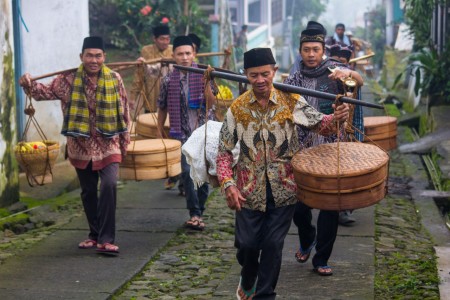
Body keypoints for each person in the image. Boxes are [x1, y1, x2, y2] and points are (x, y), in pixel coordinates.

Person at [216, 47, 349, 299]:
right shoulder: (238, 108)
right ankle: (248, 275)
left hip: (284, 188)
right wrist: (228, 184)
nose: (260, 80)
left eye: (265, 74)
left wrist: (339, 116)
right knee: (247, 246)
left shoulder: (291, 101)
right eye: (254, 75)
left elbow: (323, 125)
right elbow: (223, 151)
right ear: (245, 75)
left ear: (274, 71)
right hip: (247, 191)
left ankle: (265, 295)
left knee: (273, 245)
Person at [19, 36, 130, 254]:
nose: (94, 60)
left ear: (104, 57)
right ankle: (94, 234)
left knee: (108, 185)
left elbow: (124, 109)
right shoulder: (67, 80)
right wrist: (28, 83)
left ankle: (106, 239)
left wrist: (125, 142)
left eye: (98, 56)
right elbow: (43, 92)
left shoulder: (115, 79)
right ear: (82, 57)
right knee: (88, 191)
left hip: (109, 144)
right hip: (80, 145)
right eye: (89, 55)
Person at [284, 20, 364, 276]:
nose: (310, 54)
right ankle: (307, 237)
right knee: (299, 205)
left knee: (330, 205)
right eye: (306, 49)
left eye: (315, 50)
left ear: (322, 50)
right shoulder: (293, 77)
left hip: (331, 148)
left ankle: (321, 258)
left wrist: (348, 74)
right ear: (300, 51)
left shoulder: (335, 71)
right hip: (301, 148)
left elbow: (359, 80)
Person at [156, 35, 216, 231]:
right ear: (173, 55)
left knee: (204, 175)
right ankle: (195, 213)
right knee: (189, 173)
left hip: (204, 132)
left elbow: (211, 102)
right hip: (181, 133)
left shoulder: (205, 74)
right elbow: (162, 107)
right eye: (180, 53)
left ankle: (200, 209)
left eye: (188, 53)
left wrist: (207, 81)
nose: (184, 57)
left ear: (194, 54)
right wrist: (159, 130)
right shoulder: (167, 80)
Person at [131, 25, 173, 113]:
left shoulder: (173, 50)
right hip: (152, 97)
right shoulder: (146, 51)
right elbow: (139, 75)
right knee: (149, 124)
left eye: (167, 39)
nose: (165, 42)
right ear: (155, 39)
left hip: (170, 98)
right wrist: (133, 97)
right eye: (162, 39)